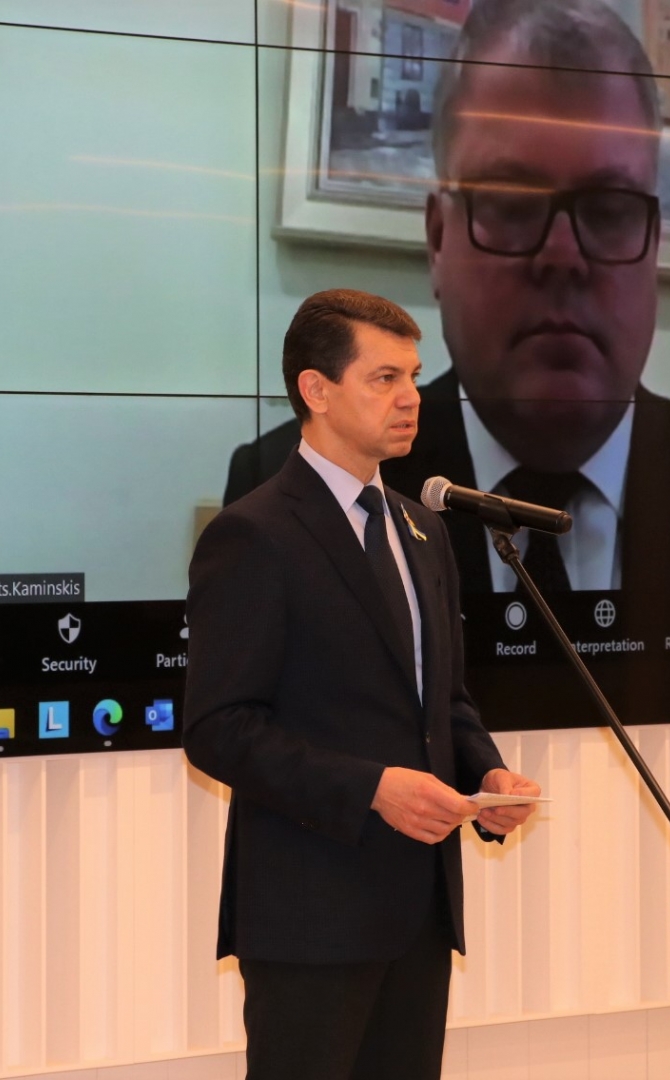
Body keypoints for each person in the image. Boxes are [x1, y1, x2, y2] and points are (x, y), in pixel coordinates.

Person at [226, 0, 670, 606]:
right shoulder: (295, 493)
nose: (563, 258)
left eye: (608, 210)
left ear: (655, 247)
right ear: (438, 239)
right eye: (510, 204)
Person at [184, 289, 542, 1079]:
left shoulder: (424, 529)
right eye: (385, 378)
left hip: (418, 912)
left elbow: (443, 700)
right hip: (310, 916)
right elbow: (219, 727)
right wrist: (372, 788)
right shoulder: (253, 534)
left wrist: (485, 773)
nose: (411, 397)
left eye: (413, 376)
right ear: (316, 390)